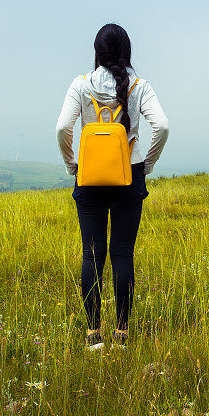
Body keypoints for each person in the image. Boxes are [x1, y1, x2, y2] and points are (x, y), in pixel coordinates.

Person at [55, 23, 169, 350]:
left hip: (89, 177)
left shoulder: (81, 85)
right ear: (126, 51)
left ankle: (93, 336)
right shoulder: (138, 85)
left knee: (91, 256)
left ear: (97, 52)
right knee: (122, 255)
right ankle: (121, 334)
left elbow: (63, 127)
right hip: (128, 176)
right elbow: (162, 126)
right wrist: (146, 165)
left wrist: (71, 165)